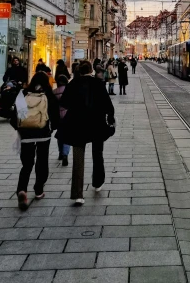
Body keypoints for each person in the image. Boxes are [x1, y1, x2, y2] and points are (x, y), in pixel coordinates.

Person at [57, 60, 116, 205]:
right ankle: (97, 182)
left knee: (78, 158)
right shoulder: (98, 84)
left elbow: (63, 103)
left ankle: (78, 194)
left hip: (78, 125)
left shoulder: (73, 84)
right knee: (97, 153)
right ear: (91, 70)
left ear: (79, 71)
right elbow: (108, 104)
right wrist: (110, 117)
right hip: (96, 124)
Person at [13, 72, 60, 210]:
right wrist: (52, 128)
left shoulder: (24, 93)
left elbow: (16, 115)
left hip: (26, 134)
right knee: (42, 160)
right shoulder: (48, 95)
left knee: (27, 164)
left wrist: (20, 128)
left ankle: (22, 189)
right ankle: (39, 189)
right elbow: (55, 117)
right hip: (43, 133)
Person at [53, 75, 70, 166]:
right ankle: (65, 154)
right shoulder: (69, 91)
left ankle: (60, 153)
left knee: (60, 135)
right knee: (67, 135)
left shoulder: (54, 92)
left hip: (58, 116)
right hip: (67, 115)